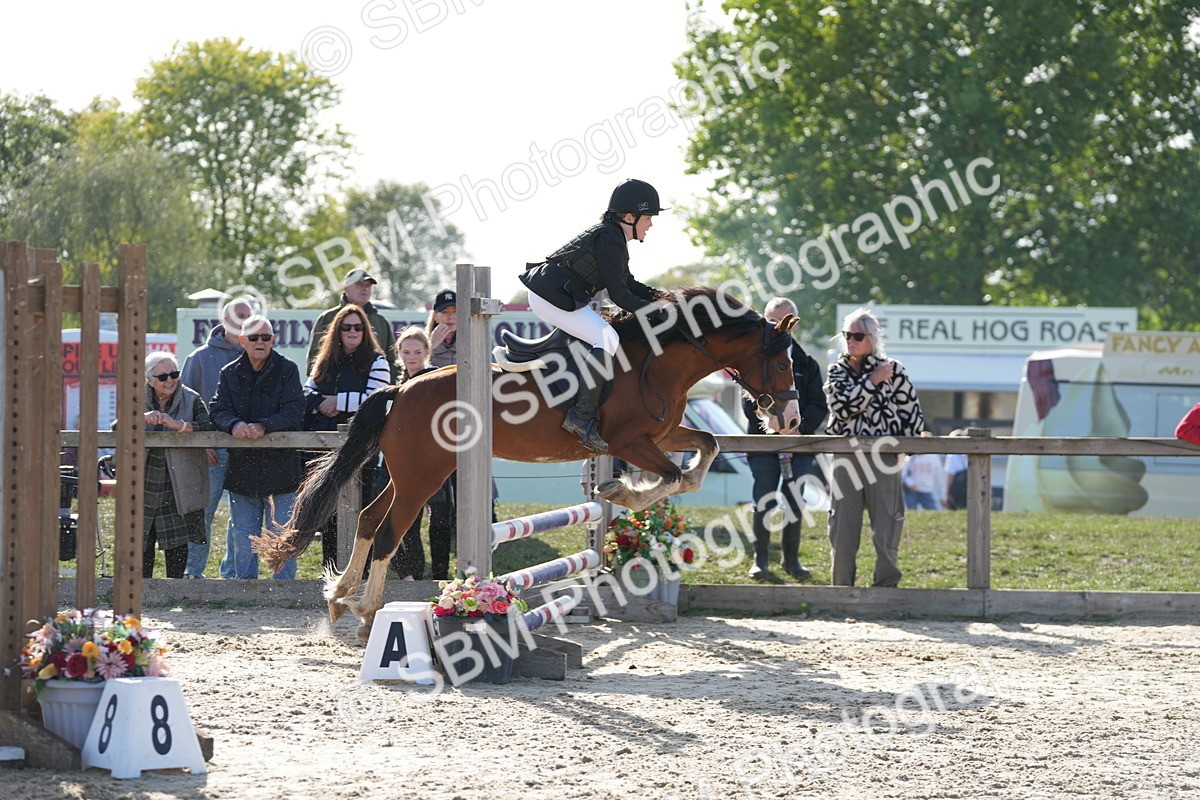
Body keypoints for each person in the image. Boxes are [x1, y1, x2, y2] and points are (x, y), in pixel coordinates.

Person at [519, 178, 669, 453]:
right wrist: (655, 313)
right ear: (629, 217)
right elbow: (620, 296)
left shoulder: (613, 237)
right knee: (607, 338)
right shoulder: (609, 238)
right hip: (549, 296)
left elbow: (629, 283)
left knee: (603, 337)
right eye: (648, 218)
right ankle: (581, 416)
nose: (651, 224)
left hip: (556, 294)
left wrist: (663, 298)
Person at [823, 307, 925, 587]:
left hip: (885, 459)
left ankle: (886, 590)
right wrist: (871, 382)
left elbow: (913, 416)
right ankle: (841, 591)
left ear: (872, 337)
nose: (851, 340)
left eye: (858, 335)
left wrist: (901, 449)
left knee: (887, 526)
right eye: (847, 335)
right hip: (847, 459)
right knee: (842, 529)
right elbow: (842, 410)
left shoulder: (894, 369)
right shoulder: (837, 371)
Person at [209, 314, 306, 579]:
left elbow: (296, 410)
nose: (260, 341)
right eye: (254, 337)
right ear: (243, 340)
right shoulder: (228, 373)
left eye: (266, 337)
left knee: (282, 538)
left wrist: (263, 426)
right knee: (244, 538)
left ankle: (285, 592)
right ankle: (245, 592)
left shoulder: (287, 369)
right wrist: (234, 425)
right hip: (244, 468)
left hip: (282, 468)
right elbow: (217, 409)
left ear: (272, 340)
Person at [740, 297, 828, 580]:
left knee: (794, 503)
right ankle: (761, 560)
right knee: (763, 501)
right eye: (775, 320)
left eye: (787, 319)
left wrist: (798, 429)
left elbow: (818, 404)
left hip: (800, 446)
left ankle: (791, 561)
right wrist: (775, 425)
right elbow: (748, 402)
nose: (782, 325)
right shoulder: (755, 360)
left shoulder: (807, 363)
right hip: (764, 445)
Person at [303, 304, 391, 569]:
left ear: (365, 331)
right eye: (347, 327)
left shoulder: (378, 360)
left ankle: (360, 570)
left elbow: (378, 398)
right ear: (337, 331)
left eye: (358, 327)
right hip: (326, 447)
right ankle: (330, 568)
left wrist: (337, 401)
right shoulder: (326, 360)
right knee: (328, 509)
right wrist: (322, 401)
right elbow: (307, 393)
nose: (352, 332)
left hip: (361, 447)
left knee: (360, 509)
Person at [179, 297, 251, 578]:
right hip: (210, 450)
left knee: (242, 517)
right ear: (224, 319)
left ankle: (232, 573)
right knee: (203, 512)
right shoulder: (199, 358)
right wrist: (203, 440)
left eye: (247, 315)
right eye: (237, 314)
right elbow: (184, 403)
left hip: (247, 448)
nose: (243, 319)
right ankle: (193, 572)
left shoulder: (256, 356)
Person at [127, 352, 215, 578]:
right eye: (163, 376)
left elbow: (207, 427)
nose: (169, 380)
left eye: (174, 374)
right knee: (142, 539)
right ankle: (142, 593)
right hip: (144, 480)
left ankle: (174, 594)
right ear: (149, 380)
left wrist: (179, 425)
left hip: (180, 481)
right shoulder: (135, 398)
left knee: (177, 543)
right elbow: (118, 426)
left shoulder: (192, 398)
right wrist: (141, 418)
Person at [390, 325, 439, 579]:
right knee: (407, 523)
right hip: (405, 464)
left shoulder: (433, 378)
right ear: (399, 353)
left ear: (427, 352)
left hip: (435, 462)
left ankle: (439, 577)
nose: (412, 357)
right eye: (407, 352)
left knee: (439, 522)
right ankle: (411, 577)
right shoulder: (399, 384)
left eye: (417, 352)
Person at [308, 267, 397, 382]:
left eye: (368, 285)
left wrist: (384, 388)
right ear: (345, 288)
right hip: (333, 392)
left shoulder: (380, 321)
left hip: (374, 394)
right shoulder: (327, 318)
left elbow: (392, 360)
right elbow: (314, 359)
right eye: (360, 285)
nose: (365, 289)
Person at [902, 432, 945, 510]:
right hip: (912, 491)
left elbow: (939, 478)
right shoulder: (910, 457)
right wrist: (910, 483)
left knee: (933, 512)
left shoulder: (934, 458)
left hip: (926, 490)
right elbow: (903, 473)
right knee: (912, 512)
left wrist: (943, 496)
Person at [428, 288, 458, 368]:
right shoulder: (423, 341)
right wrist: (431, 345)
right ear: (435, 316)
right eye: (445, 312)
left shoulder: (471, 342)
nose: (451, 316)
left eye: (455, 311)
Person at [943, 429, 969, 510]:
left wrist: (946, 493)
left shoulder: (952, 456)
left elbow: (950, 475)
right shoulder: (968, 454)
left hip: (956, 490)